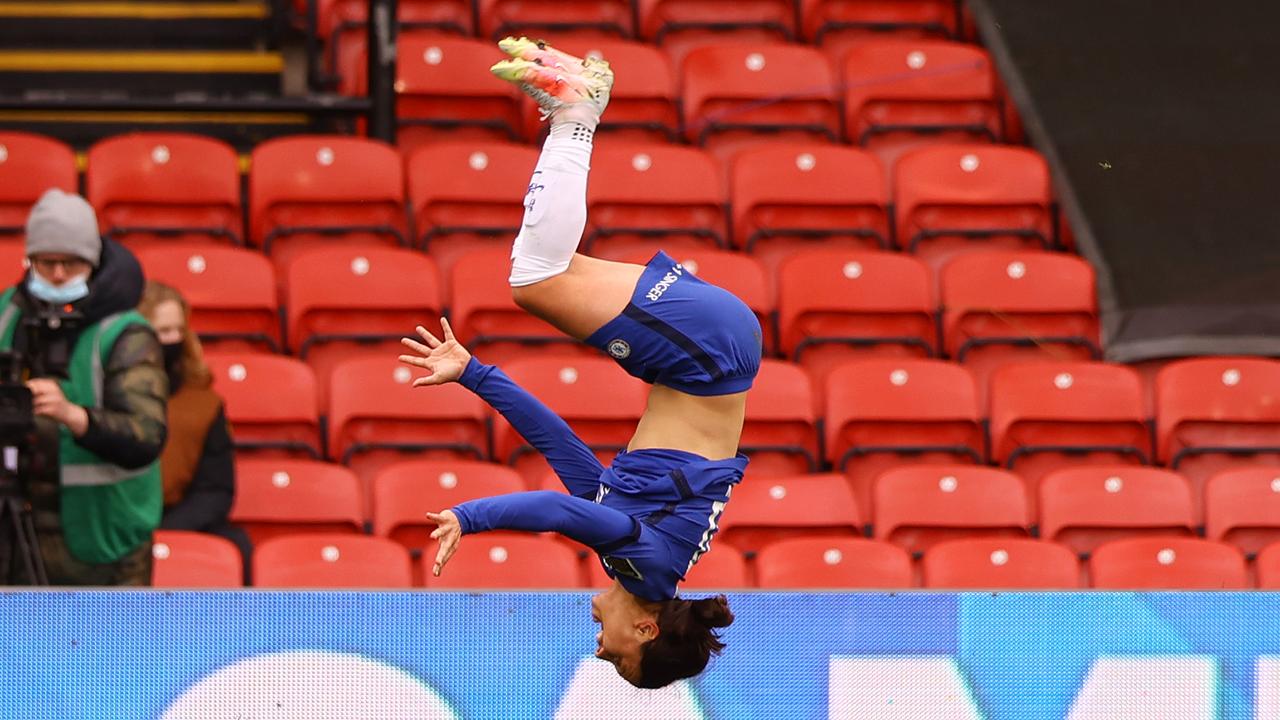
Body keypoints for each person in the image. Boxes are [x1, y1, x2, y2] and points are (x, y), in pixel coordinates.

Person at [399, 39, 759, 689]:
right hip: (705, 354)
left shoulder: (643, 557)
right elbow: (561, 514)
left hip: (710, 352)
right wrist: (469, 517)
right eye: (616, 653)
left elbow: (565, 458)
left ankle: (568, 91)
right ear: (646, 631)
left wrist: (474, 373)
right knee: (535, 280)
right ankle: (577, 115)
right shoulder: (646, 568)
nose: (599, 646)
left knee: (544, 271)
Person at [0, 188, 166, 585]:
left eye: (71, 264)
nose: (58, 275)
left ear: (92, 261)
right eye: (46, 262)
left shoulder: (126, 333)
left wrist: (73, 416)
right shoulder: (8, 314)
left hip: (104, 540)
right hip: (15, 529)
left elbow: (147, 436)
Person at [138, 281, 251, 581]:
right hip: (118, 524)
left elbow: (215, 489)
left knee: (237, 545)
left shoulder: (204, 404)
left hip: (177, 519)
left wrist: (168, 531)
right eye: (162, 332)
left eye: (178, 330)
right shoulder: (104, 398)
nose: (172, 340)